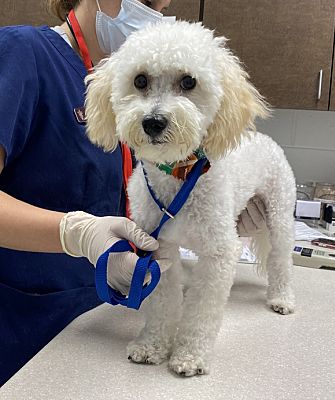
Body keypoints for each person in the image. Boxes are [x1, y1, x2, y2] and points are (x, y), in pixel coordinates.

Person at [0, 0, 265, 385]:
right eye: (142, 0)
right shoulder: (22, 54)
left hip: (112, 322)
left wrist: (218, 216)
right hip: (31, 330)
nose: (153, 9)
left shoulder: (142, 83)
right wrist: (76, 233)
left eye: (160, 2)